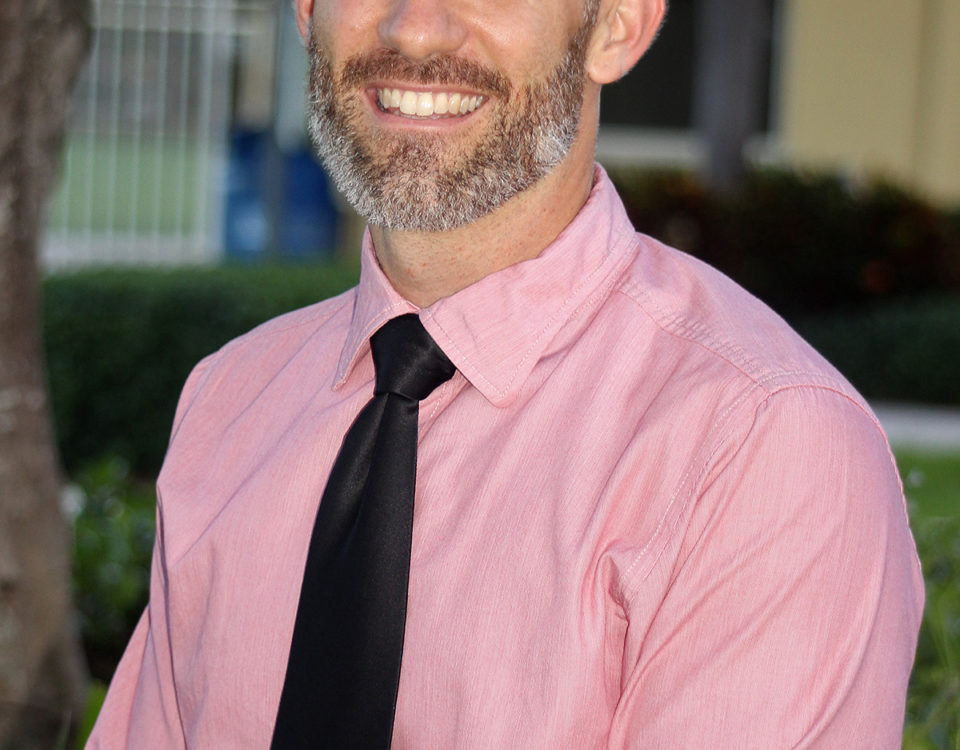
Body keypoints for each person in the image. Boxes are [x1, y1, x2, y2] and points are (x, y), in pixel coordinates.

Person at [89, 0, 924, 746]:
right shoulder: (231, 400)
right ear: (308, 10)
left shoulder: (761, 448)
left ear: (617, 25)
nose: (416, 27)